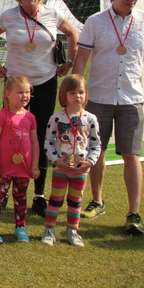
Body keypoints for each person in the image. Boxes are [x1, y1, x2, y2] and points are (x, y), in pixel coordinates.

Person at [0, 0, 79, 217]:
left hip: (45, 83)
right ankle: (2, 191)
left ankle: (39, 195)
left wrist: (69, 61)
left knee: (43, 138)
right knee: (9, 137)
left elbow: (72, 34)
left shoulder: (53, 13)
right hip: (15, 85)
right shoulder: (8, 16)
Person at [72, 0, 144, 235]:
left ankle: (134, 213)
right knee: (96, 152)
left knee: (132, 154)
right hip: (99, 96)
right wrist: (75, 92)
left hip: (132, 98)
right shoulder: (95, 21)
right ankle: (97, 201)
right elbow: (81, 58)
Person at [42, 74, 101, 247]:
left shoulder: (91, 119)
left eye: (81, 92)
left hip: (81, 170)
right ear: (64, 95)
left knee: (76, 202)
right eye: (72, 93)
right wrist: (56, 161)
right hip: (61, 168)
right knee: (55, 200)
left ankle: (72, 231)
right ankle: (49, 230)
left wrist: (89, 163)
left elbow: (96, 144)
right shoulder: (56, 118)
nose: (78, 96)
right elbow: (48, 142)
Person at [0, 76, 40, 244]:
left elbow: (34, 142)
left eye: (27, 92)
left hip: (23, 167)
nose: (25, 96)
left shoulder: (30, 117)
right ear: (8, 93)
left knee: (21, 197)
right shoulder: (2, 115)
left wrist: (35, 166)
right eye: (20, 92)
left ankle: (21, 227)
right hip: (3, 167)